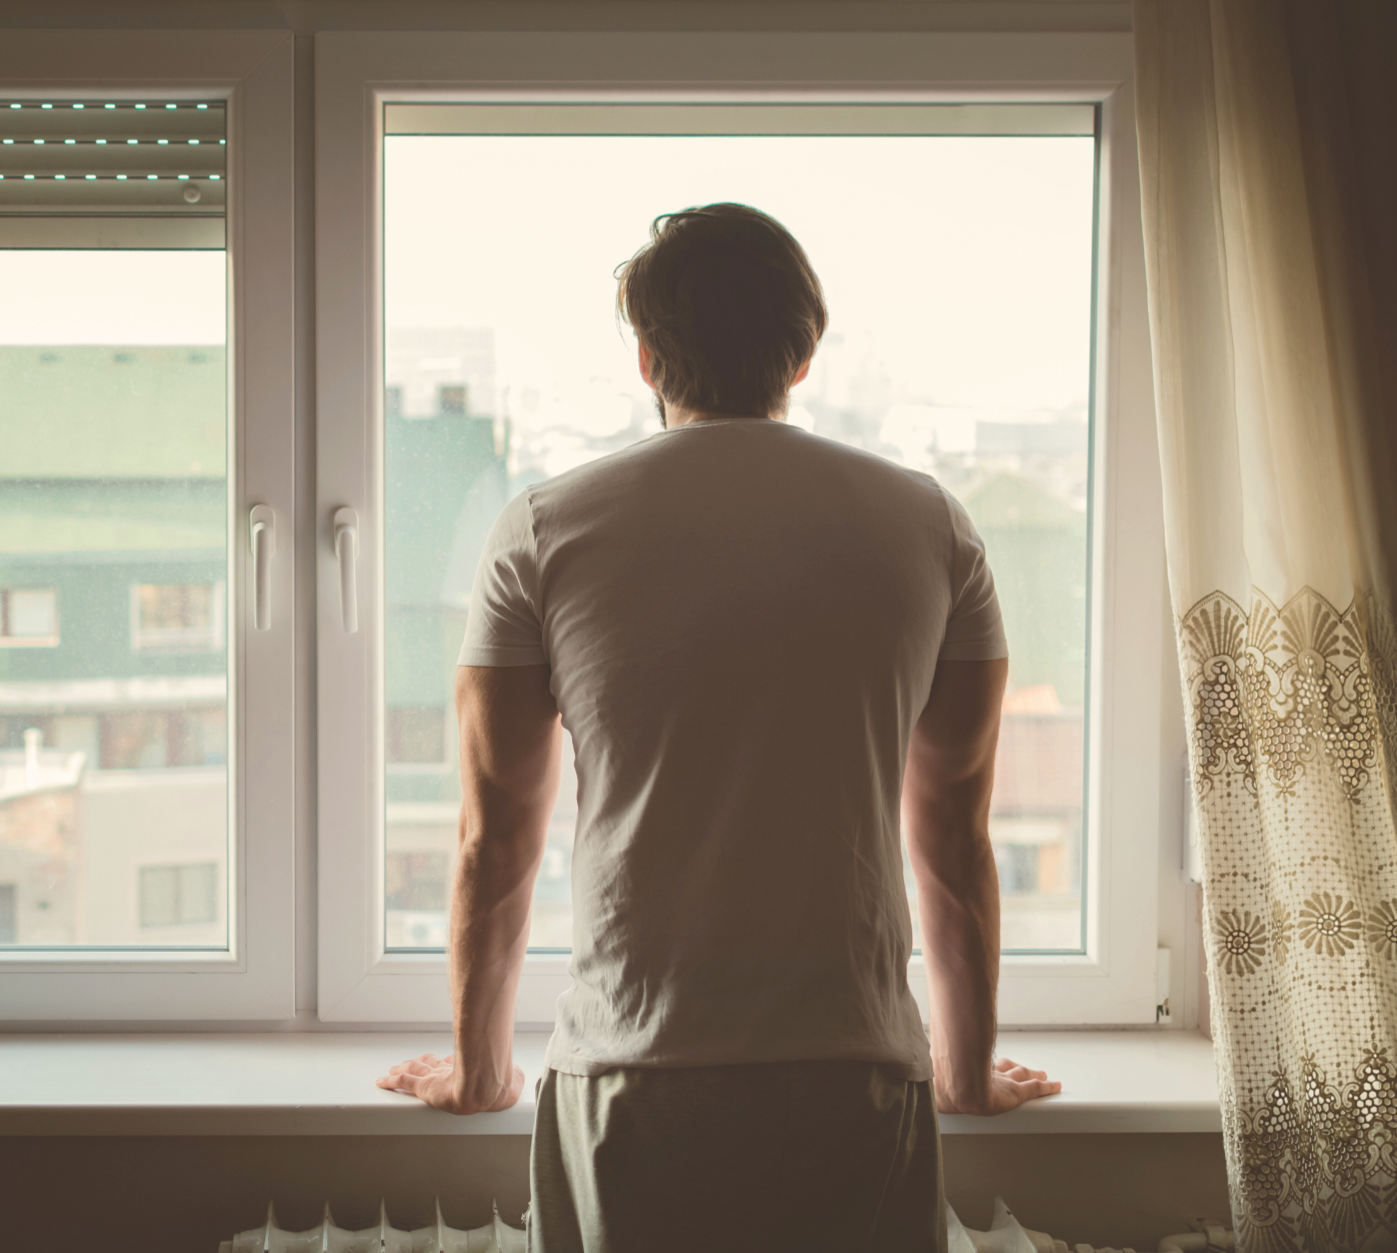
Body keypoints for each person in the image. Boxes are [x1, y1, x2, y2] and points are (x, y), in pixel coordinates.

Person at [378, 203, 1060, 1251]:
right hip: (856, 1077)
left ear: (647, 357)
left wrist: (478, 1071)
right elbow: (955, 840)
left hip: (630, 1071)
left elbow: (493, 838)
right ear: (804, 348)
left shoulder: (544, 529)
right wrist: (963, 1072)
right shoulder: (931, 527)